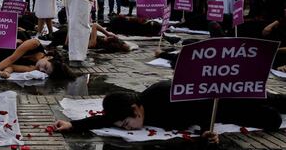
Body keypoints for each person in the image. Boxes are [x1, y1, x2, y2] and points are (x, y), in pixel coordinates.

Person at [53, 79, 286, 144]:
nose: (127, 129)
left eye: (126, 124)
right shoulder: (132, 109)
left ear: (135, 109)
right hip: (223, 111)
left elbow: (201, 105)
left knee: (275, 107)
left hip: (225, 98)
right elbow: (105, 119)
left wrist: (207, 130)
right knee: (272, 120)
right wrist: (73, 125)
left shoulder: (162, 95)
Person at [0, 39, 76, 79]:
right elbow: (12, 59)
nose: (41, 69)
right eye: (45, 67)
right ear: (49, 57)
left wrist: (6, 73)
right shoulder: (35, 44)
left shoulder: (34, 68)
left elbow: (13, 66)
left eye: (44, 72)